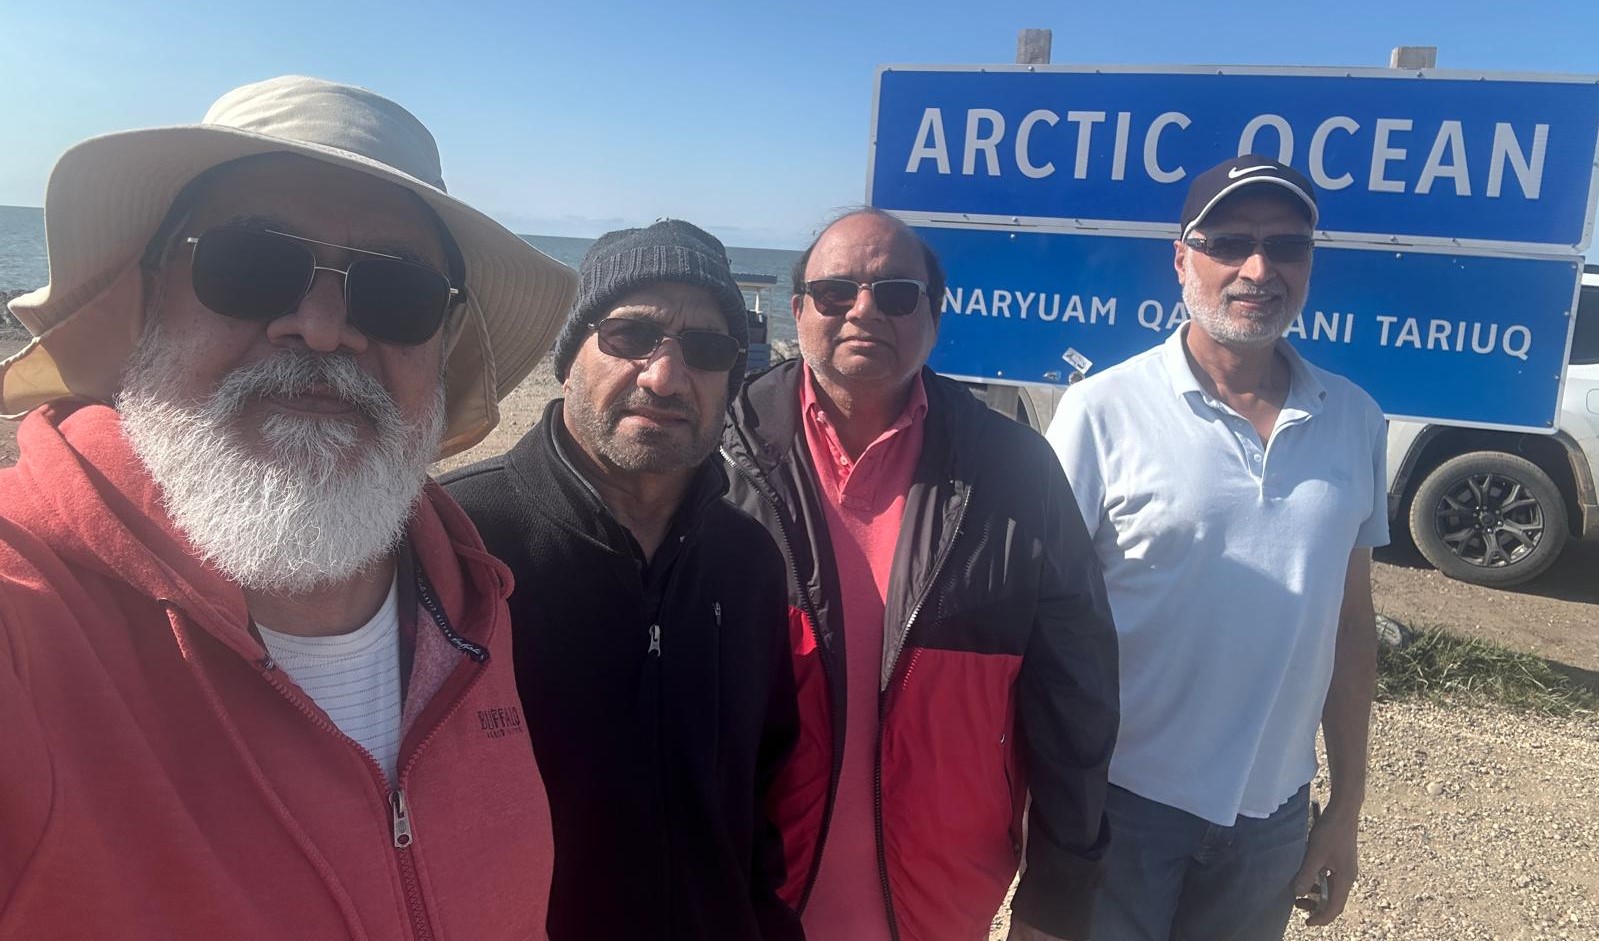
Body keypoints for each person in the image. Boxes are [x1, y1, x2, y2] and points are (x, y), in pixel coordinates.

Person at [0, 76, 577, 939]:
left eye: (396, 292)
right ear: (149, 296)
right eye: (251, 266)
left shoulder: (476, 604)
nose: (321, 325)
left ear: (444, 343)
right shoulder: (23, 607)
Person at [722, 208, 1121, 941]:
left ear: (935, 316)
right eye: (835, 291)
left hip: (941, 904)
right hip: (746, 897)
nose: (862, 310)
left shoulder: (1016, 468)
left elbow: (1077, 689)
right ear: (797, 309)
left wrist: (1058, 900)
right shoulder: (714, 458)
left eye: (896, 293)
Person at [1045, 155, 1387, 940]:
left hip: (1271, 817)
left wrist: (1345, 806)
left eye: (1285, 246)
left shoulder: (1355, 419)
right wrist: (1042, 803)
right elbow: (1044, 622)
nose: (1257, 269)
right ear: (1181, 260)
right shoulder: (1101, 410)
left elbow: (1349, 625)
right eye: (1228, 242)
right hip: (1118, 804)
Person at [444, 220, 803, 941]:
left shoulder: (749, 561)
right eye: (630, 335)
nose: (664, 376)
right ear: (567, 356)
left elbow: (759, 789)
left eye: (705, 349)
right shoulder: (456, 542)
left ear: (731, 379)